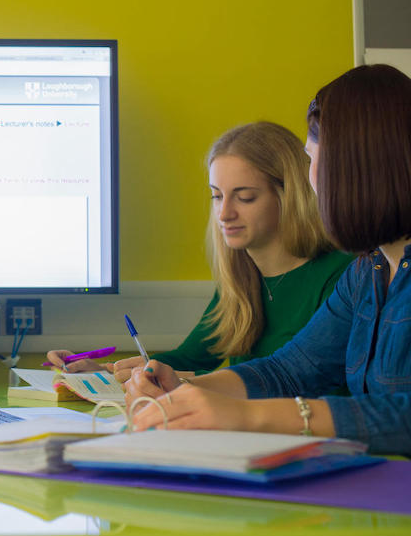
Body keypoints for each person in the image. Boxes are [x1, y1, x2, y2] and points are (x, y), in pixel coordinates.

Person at [125, 64, 411, 455]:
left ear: (351, 169)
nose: (311, 180)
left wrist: (246, 415)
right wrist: (183, 389)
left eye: (313, 159)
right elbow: (289, 371)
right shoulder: (367, 271)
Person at [48, 122, 351, 379]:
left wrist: (190, 383)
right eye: (217, 196)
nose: (224, 214)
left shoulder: (341, 275)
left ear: (290, 196)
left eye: (245, 197)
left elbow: (307, 384)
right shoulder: (241, 278)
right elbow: (188, 359)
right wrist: (105, 371)